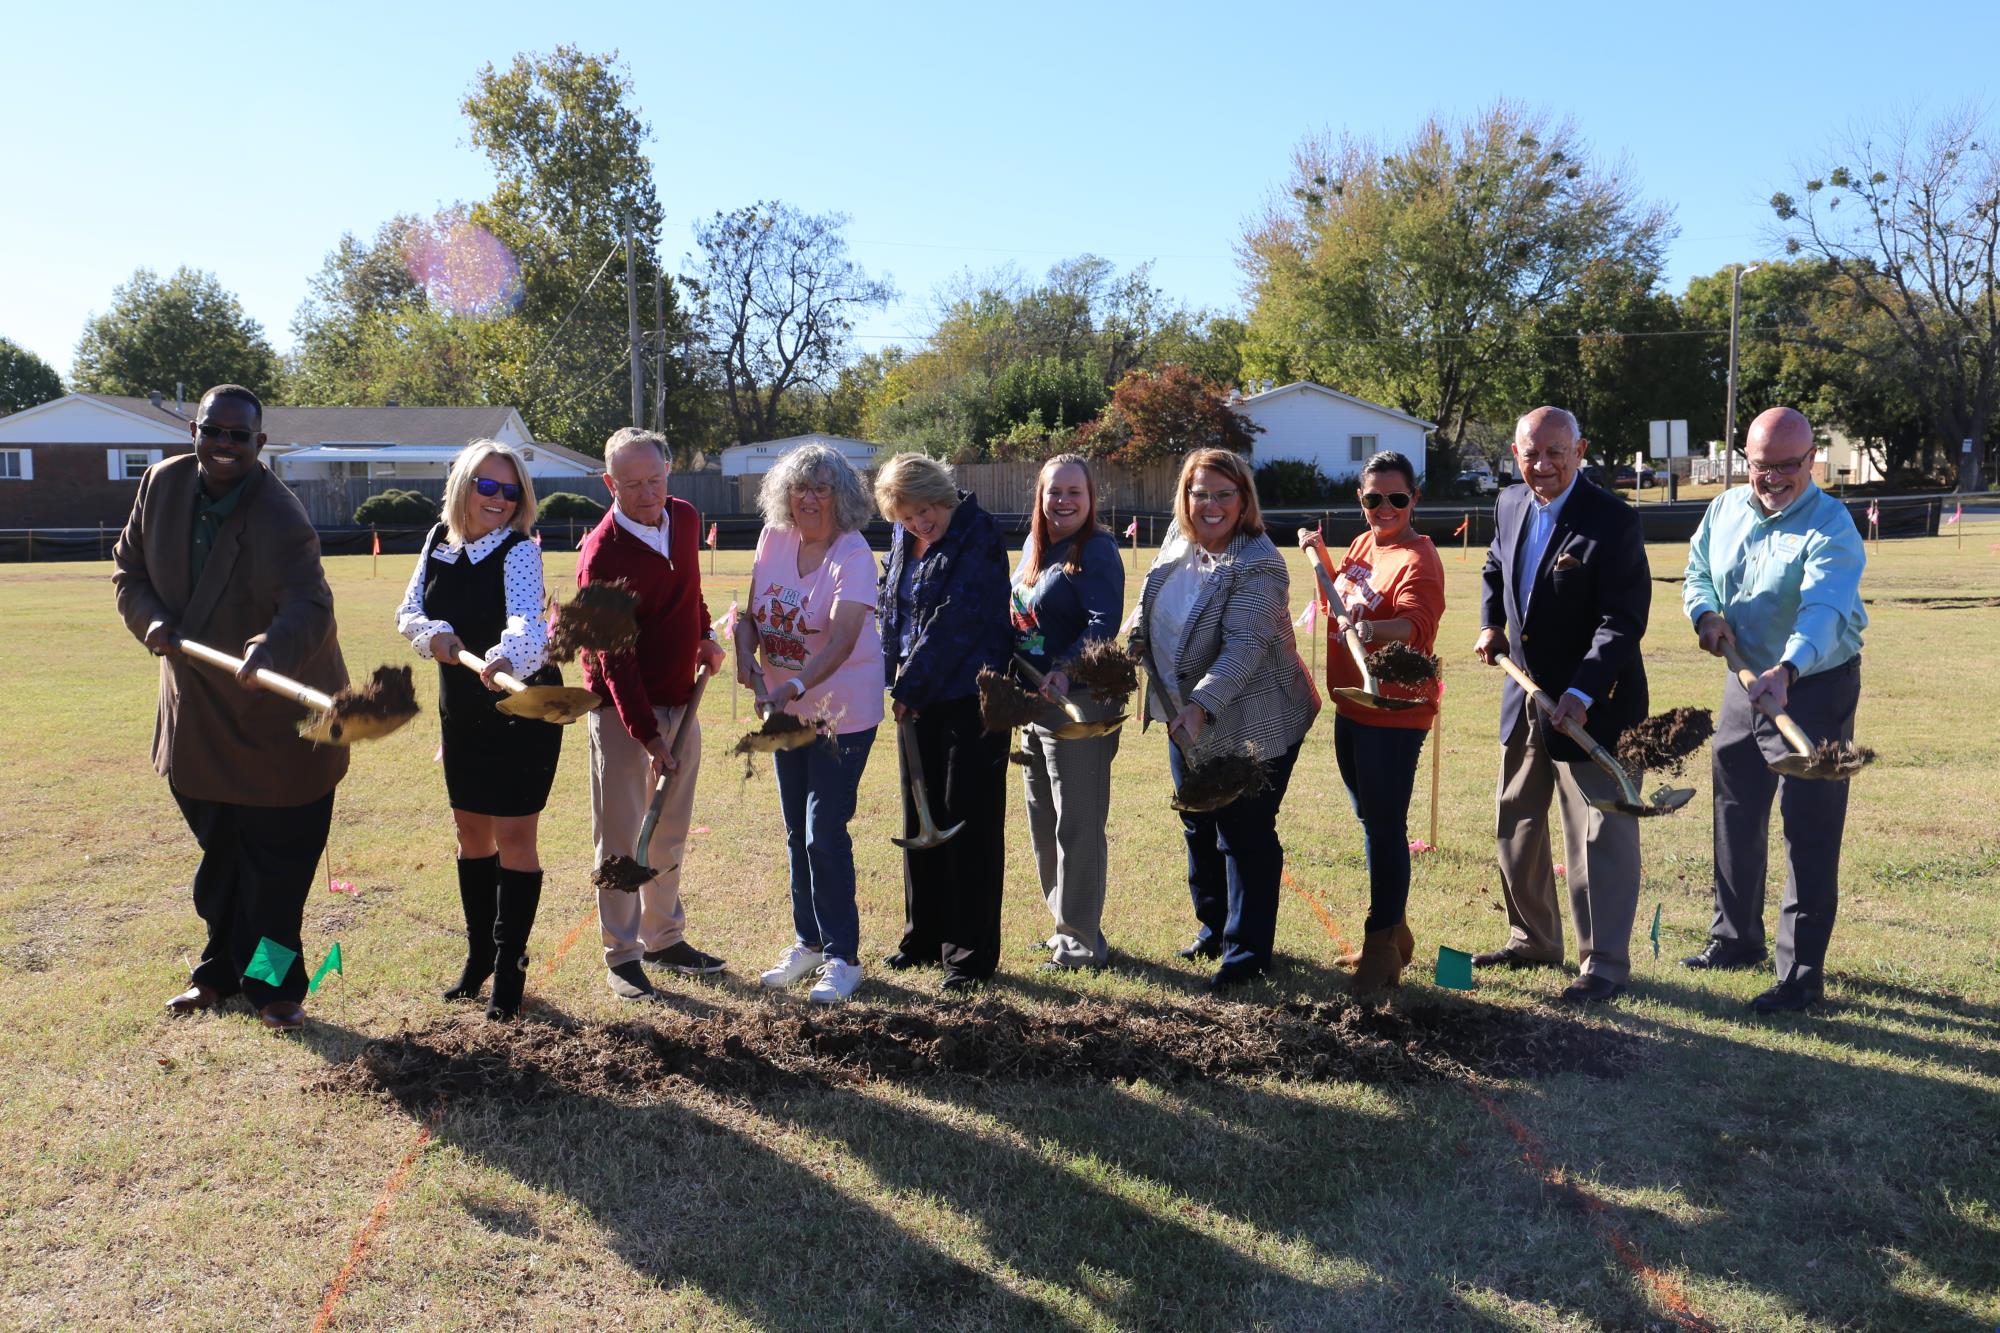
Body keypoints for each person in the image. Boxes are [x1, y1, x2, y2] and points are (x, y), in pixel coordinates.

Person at [112, 384, 347, 1032]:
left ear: (258, 444)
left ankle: (273, 985)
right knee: (222, 862)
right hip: (197, 718)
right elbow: (128, 570)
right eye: (213, 430)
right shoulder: (160, 485)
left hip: (281, 723)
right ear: (193, 429)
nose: (223, 445)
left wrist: (269, 649)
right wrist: (152, 620)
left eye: (238, 436)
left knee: (277, 875)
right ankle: (216, 973)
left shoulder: (280, 516)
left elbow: (310, 604)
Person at [1682, 407, 1867, 1014]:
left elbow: (1823, 609)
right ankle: (1735, 939)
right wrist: (1705, 615)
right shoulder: (1726, 509)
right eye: (1763, 466)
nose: (1775, 477)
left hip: (1810, 685)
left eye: (1789, 465)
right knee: (1734, 808)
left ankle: (1801, 974)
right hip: (1745, 678)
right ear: (1747, 460)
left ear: (1810, 460)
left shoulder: (1831, 525)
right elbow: (1698, 570)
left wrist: (1786, 671)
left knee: (1809, 826)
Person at [1472, 406, 1651, 1005]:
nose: (1542, 465)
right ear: (1515, 453)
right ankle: (1532, 938)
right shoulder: (1508, 504)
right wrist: (1491, 624)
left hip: (1595, 703)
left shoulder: (1613, 520)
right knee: (1517, 817)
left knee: (1597, 832)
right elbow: (1496, 565)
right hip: (1522, 692)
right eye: (1530, 454)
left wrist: (1580, 692)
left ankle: (1603, 963)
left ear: (1580, 450)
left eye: (1555, 453)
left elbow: (1622, 620)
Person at [1130, 448, 1319, 989]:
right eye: (1199, 493)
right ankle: (1213, 929)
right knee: (1198, 823)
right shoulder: (1177, 539)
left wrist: (1200, 705)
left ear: (1244, 500)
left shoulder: (1258, 562)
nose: (1210, 505)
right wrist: (1135, 639)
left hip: (1253, 720)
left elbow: (1245, 647)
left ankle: (1247, 955)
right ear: (1184, 497)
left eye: (1223, 494)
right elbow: (1150, 604)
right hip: (1182, 716)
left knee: (1244, 832)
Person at [394, 440, 560, 1020]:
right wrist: (430, 634)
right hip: (461, 703)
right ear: (463, 486)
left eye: (510, 490)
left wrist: (506, 656)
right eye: (487, 486)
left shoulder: (519, 549)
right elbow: (408, 609)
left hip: (519, 704)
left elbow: (527, 623)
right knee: (470, 832)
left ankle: (510, 965)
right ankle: (480, 955)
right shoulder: (437, 542)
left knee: (514, 837)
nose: (499, 499)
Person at [577, 428, 728, 1001]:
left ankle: (664, 938)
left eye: (655, 480)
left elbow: (688, 588)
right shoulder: (602, 553)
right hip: (621, 708)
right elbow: (613, 659)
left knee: (668, 829)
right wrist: (645, 734)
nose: (646, 494)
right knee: (623, 833)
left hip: (681, 697)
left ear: (670, 473)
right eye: (632, 484)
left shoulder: (684, 517)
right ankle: (622, 953)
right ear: (609, 482)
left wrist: (705, 635)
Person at [736, 443, 884, 1004]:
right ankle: (810, 942)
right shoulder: (774, 539)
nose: (809, 497)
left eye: (822, 487)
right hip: (783, 709)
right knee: (797, 831)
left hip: (840, 715)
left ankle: (844, 958)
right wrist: (750, 660)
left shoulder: (853, 555)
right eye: (800, 487)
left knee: (824, 832)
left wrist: (792, 685)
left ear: (842, 497)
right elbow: (752, 614)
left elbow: (845, 639)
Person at [1297, 450, 1445, 994]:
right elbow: (1340, 600)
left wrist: (1372, 625)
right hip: (1351, 702)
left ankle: (1381, 945)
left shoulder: (1419, 557)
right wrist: (1319, 557)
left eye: (1397, 498)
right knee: (1371, 822)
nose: (1385, 507)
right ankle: (1395, 927)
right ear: (1361, 500)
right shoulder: (1362, 544)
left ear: (1414, 500)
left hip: (1394, 711)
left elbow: (1417, 626)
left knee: (1385, 828)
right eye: (1373, 498)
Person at [874, 453, 1013, 993]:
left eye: (925, 510)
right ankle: (923, 938)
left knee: (968, 824)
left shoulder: (978, 536)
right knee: (921, 819)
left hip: (969, 698)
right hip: (917, 699)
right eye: (907, 516)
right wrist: (893, 677)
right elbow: (895, 606)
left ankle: (968, 955)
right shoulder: (902, 537)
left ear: (943, 495)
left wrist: (910, 686)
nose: (918, 523)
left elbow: (955, 619)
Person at [1011, 454, 1124, 970]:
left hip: (1079, 701)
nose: (1063, 500)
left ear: (1090, 497)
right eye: (1055, 491)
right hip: (1034, 699)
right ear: (1041, 494)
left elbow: (1104, 621)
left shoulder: (1096, 549)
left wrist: (1062, 667)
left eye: (1074, 491)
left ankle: (1082, 939)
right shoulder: (1035, 546)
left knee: (1077, 821)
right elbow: (1017, 613)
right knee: (1042, 819)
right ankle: (1065, 926)